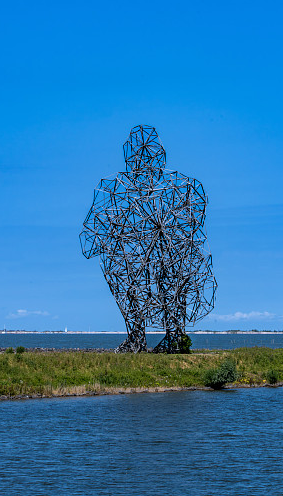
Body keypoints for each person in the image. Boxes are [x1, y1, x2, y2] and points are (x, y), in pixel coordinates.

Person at [81, 125, 216, 353]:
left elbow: (195, 221)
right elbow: (92, 237)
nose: (143, 160)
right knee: (124, 273)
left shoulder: (184, 186)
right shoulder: (116, 188)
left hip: (169, 256)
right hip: (135, 261)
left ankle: (170, 338)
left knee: (172, 274)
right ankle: (140, 338)